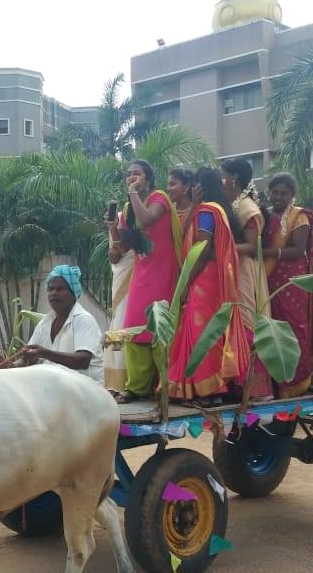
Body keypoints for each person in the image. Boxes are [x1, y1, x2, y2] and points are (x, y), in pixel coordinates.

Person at [166, 167, 246, 404]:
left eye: (192, 185)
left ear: (198, 187)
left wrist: (186, 282)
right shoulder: (207, 210)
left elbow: (204, 250)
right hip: (210, 279)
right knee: (199, 330)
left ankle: (209, 390)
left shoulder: (206, 212)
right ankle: (195, 388)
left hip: (204, 278)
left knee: (202, 332)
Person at [114, 160, 182, 403]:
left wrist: (133, 193)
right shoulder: (128, 207)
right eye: (129, 174)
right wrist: (113, 227)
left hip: (164, 272)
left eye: (137, 174)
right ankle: (137, 387)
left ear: (149, 179)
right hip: (142, 273)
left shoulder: (159, 198)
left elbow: (146, 220)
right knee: (134, 325)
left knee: (160, 325)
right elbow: (123, 246)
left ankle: (167, 385)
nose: (131, 177)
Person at [261, 172, 313, 398]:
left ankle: (297, 381)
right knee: (269, 328)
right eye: (275, 192)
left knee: (293, 326)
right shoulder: (264, 215)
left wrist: (267, 252)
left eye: (284, 193)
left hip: (290, 280)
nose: (278, 197)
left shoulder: (298, 216)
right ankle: (273, 381)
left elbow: (298, 250)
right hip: (266, 278)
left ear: (292, 195)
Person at [221, 158, 273, 400]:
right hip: (232, 268)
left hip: (244, 271)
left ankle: (255, 389)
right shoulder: (232, 204)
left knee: (247, 323)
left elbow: (252, 247)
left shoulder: (247, 208)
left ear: (233, 179)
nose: (221, 180)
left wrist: (222, 247)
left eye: (223, 176)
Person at [9, 265, 104, 383]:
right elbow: (27, 358)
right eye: (50, 289)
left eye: (59, 289)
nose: (53, 293)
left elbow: (82, 361)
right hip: (56, 389)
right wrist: (10, 367)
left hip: (86, 391)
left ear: (73, 293)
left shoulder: (84, 320)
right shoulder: (45, 322)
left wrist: (44, 353)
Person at [104, 202, 137, 393]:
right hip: (123, 275)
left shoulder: (151, 217)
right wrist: (113, 229)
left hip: (145, 275)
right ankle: (118, 383)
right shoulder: (117, 218)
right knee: (121, 322)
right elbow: (114, 257)